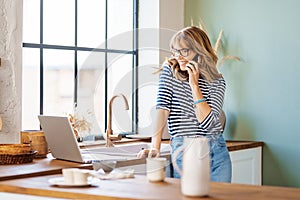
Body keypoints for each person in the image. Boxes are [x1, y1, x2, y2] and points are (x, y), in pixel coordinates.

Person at [137, 26, 232, 182]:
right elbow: (162, 109)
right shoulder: (170, 71)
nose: (178, 56)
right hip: (185, 150)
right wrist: (155, 147)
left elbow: (209, 125)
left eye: (184, 51)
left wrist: (194, 85)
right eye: (175, 51)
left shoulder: (217, 81)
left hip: (217, 152)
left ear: (199, 51)